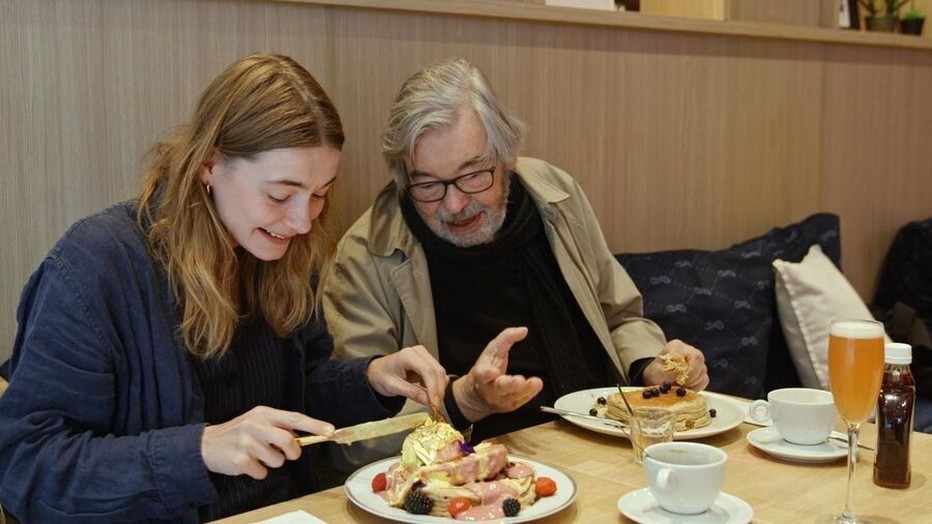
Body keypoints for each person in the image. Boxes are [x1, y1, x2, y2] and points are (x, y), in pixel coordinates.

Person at [0, 53, 448, 523]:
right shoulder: (97, 266)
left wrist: (370, 378)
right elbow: (25, 463)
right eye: (279, 195)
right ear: (210, 165)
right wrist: (198, 450)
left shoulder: (285, 251)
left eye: (320, 193)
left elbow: (298, 397)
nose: (302, 220)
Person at [323, 57, 710, 452]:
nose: (454, 205)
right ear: (404, 177)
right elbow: (358, 435)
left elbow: (620, 316)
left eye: (474, 175)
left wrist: (650, 366)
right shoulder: (366, 256)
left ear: (507, 156)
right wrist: (463, 401)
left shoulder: (556, 196)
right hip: (472, 473)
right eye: (428, 185)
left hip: (605, 437)